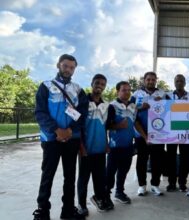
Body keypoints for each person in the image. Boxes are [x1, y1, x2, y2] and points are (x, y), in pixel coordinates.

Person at [33, 54, 88, 220]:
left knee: (70, 176)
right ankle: (42, 211)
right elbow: (40, 112)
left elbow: (83, 114)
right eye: (65, 66)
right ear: (58, 65)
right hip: (51, 139)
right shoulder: (46, 86)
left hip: (72, 139)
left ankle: (68, 210)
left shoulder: (78, 90)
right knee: (47, 175)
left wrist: (70, 130)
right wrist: (56, 130)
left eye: (71, 67)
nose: (68, 70)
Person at [131, 71, 169, 196]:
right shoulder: (136, 94)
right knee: (141, 160)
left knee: (157, 161)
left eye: (153, 79)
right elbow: (130, 109)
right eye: (148, 79)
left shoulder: (162, 94)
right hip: (141, 134)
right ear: (144, 80)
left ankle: (155, 185)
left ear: (156, 80)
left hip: (159, 134)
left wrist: (163, 104)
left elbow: (171, 109)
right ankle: (142, 186)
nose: (151, 81)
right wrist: (140, 107)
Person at [77, 74, 109, 216]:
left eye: (102, 84)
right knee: (83, 178)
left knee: (99, 177)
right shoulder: (82, 102)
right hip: (86, 149)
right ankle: (82, 205)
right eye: (97, 83)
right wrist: (81, 146)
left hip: (100, 148)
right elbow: (77, 125)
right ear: (91, 83)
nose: (99, 86)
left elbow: (106, 127)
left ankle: (100, 199)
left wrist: (107, 143)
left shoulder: (106, 106)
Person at [105, 81, 136, 206]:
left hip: (128, 146)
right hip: (114, 147)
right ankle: (106, 195)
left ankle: (119, 192)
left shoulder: (133, 106)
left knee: (123, 171)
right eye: (124, 90)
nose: (127, 92)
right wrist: (118, 126)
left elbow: (136, 122)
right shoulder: (112, 106)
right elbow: (106, 125)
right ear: (117, 91)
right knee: (110, 173)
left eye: (129, 90)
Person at [166, 74, 189, 192]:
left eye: (181, 81)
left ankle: (182, 183)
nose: (179, 83)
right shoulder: (167, 96)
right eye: (177, 81)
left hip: (186, 132)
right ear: (174, 82)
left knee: (184, 158)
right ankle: (171, 183)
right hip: (170, 132)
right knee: (171, 158)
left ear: (185, 83)